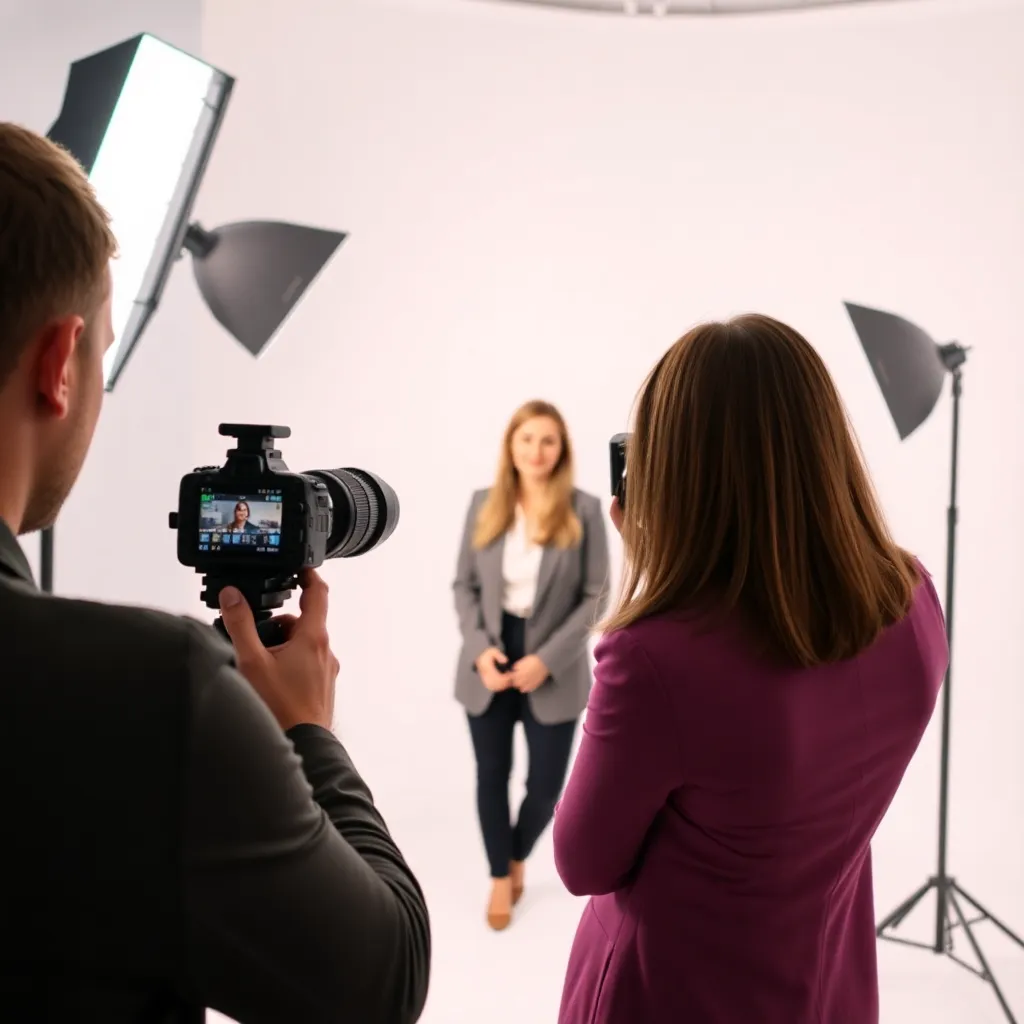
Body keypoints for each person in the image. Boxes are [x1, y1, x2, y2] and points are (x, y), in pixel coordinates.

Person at [0, 122, 430, 1023]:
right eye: (101, 353)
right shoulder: (154, 697)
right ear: (58, 366)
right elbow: (380, 981)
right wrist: (309, 731)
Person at [553, 316, 948, 1024]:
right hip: (827, 985)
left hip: (673, 995)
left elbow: (583, 863)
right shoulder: (914, 600)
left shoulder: (655, 655)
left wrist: (654, 571)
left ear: (679, 471)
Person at [452, 399, 609, 931]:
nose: (536, 451)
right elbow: (465, 586)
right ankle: (501, 875)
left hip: (555, 662)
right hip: (490, 658)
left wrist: (545, 659)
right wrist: (479, 650)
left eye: (547, 440)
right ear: (510, 446)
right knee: (491, 774)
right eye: (526, 439)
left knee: (545, 787)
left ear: (561, 448)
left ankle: (516, 854)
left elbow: (596, 595)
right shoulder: (483, 504)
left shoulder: (584, 509)